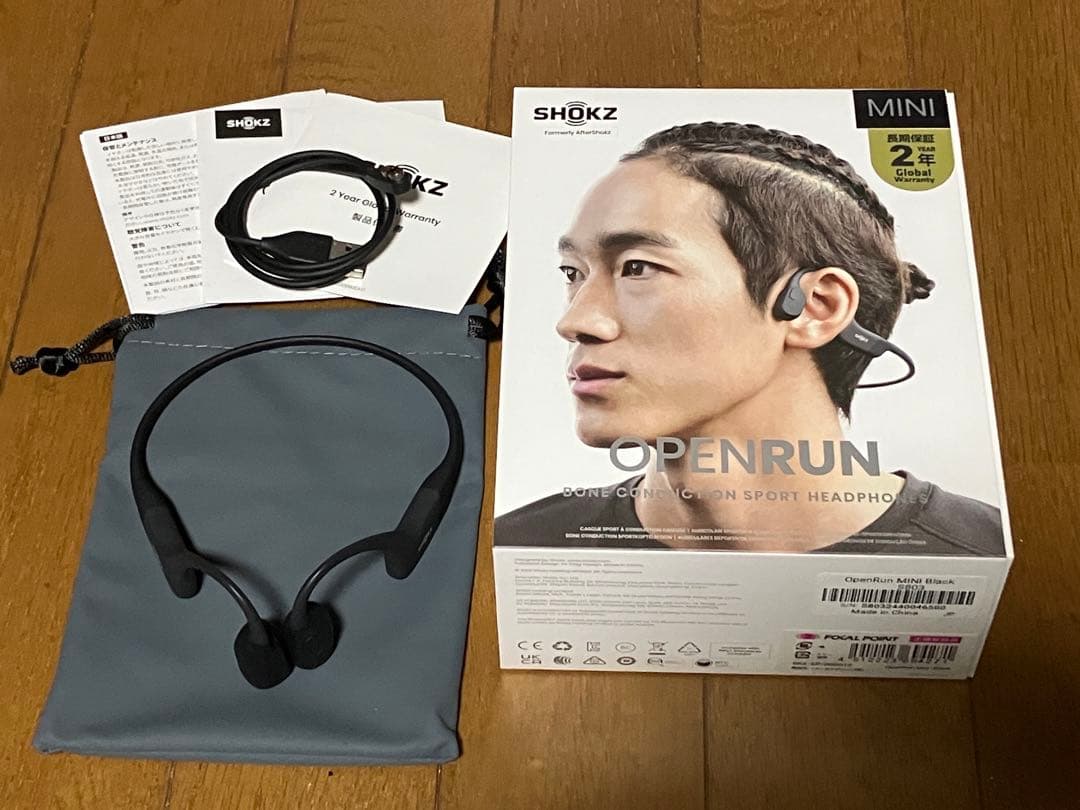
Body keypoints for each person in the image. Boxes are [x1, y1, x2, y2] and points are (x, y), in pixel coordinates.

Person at [497, 122, 1004, 555]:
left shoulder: (977, 550)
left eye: (637, 267)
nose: (575, 321)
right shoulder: (527, 546)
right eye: (573, 273)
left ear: (815, 307)